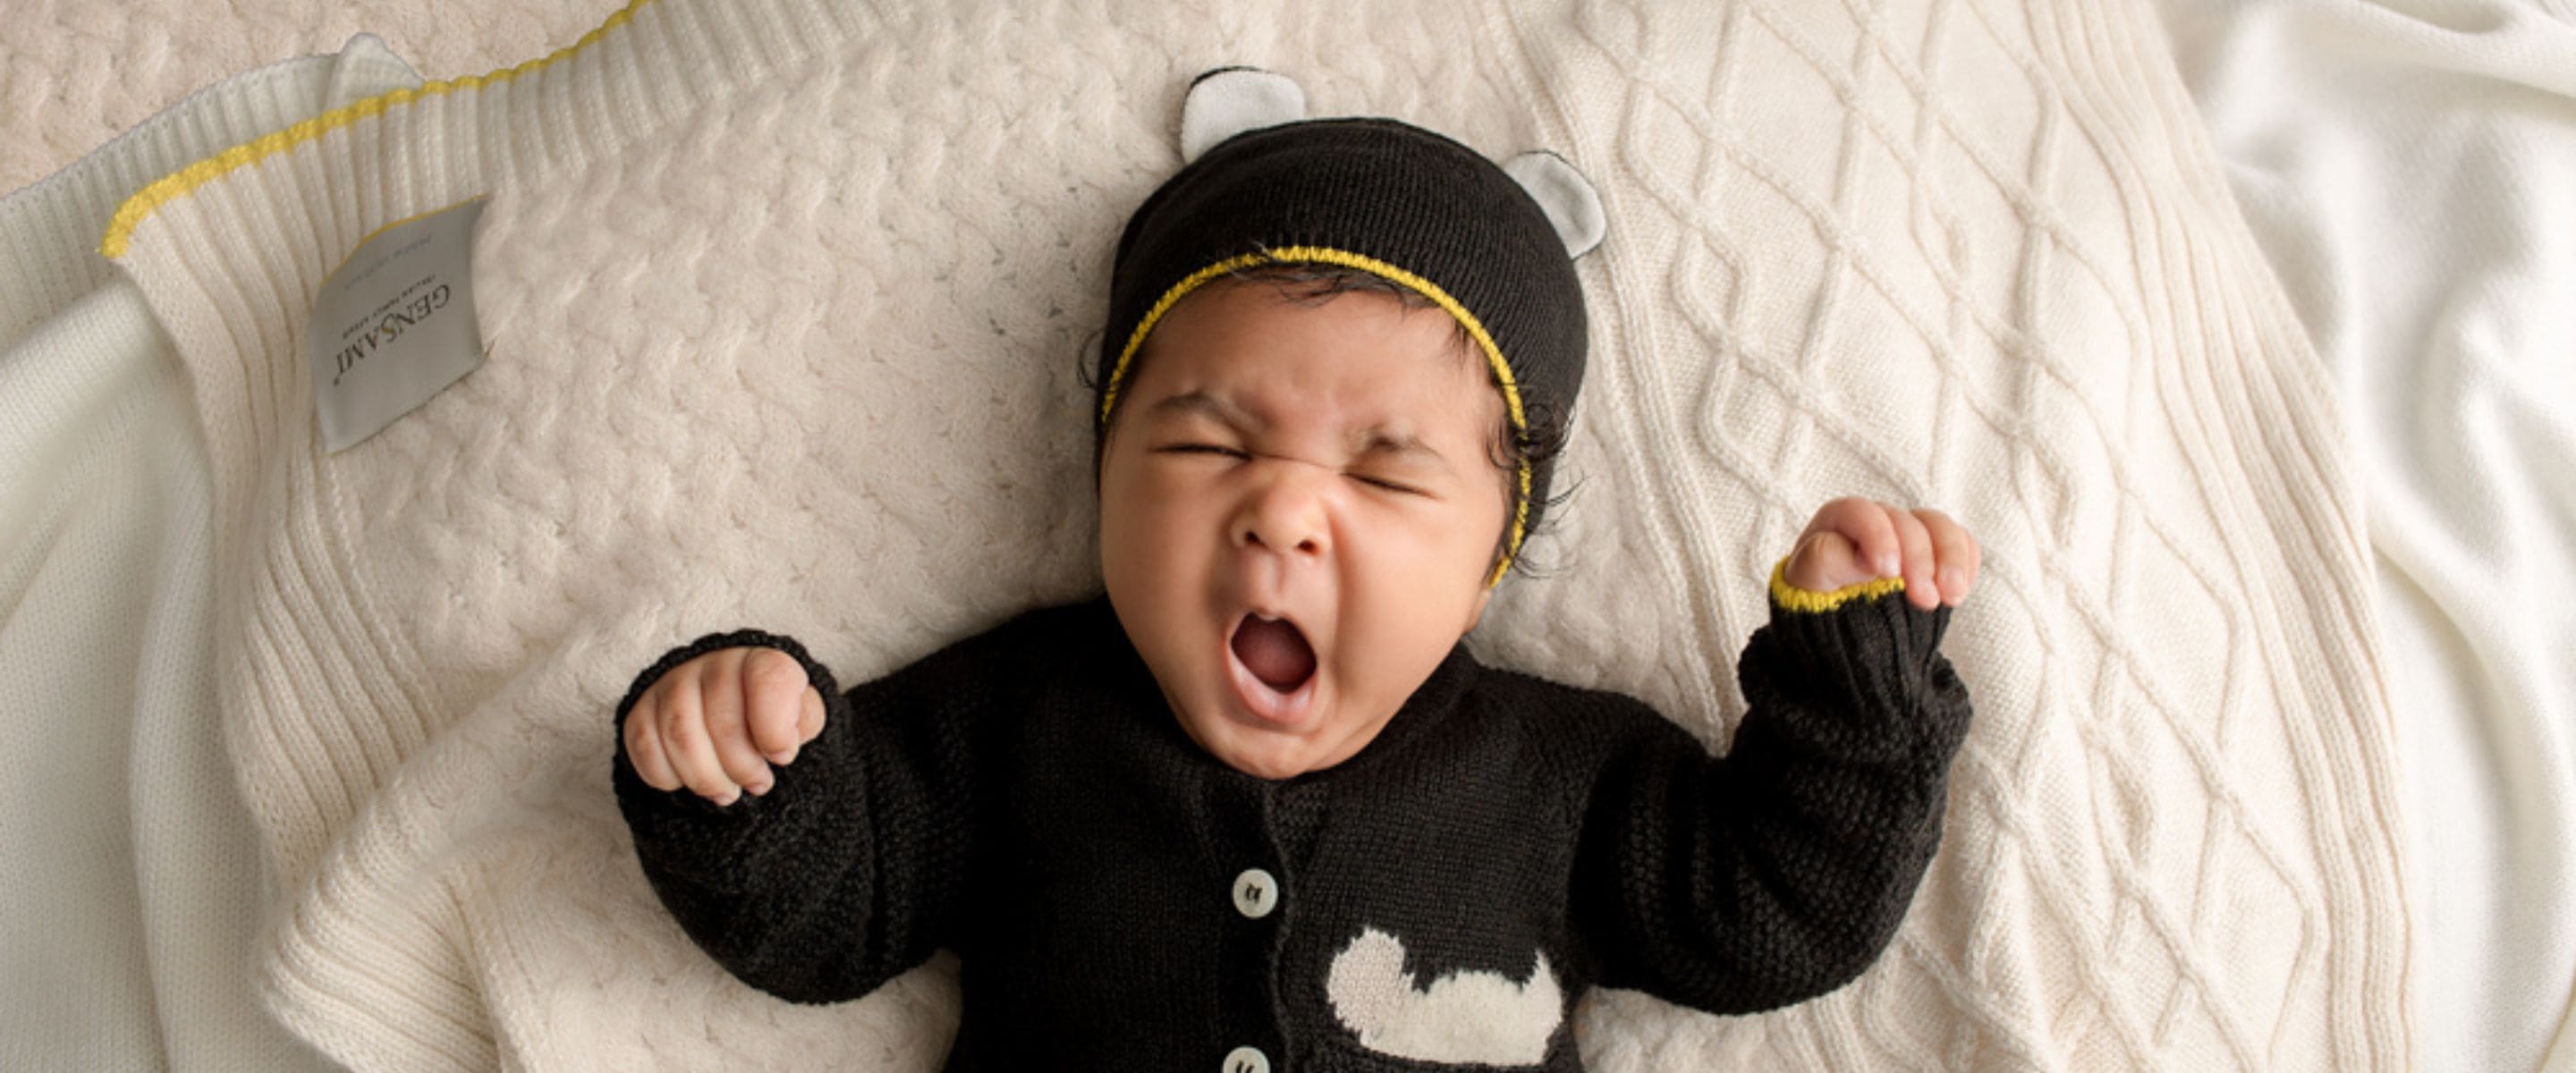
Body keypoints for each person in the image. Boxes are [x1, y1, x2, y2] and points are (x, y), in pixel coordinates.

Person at [611, 72, 1979, 1071]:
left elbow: (1774, 912)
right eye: (1208, 444)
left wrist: (1853, 690)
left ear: (1493, 561)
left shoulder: (1562, 782)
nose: (1282, 515)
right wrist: (749, 775)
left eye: (1384, 475)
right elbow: (830, 913)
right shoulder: (1015, 726)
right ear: (1104, 474)